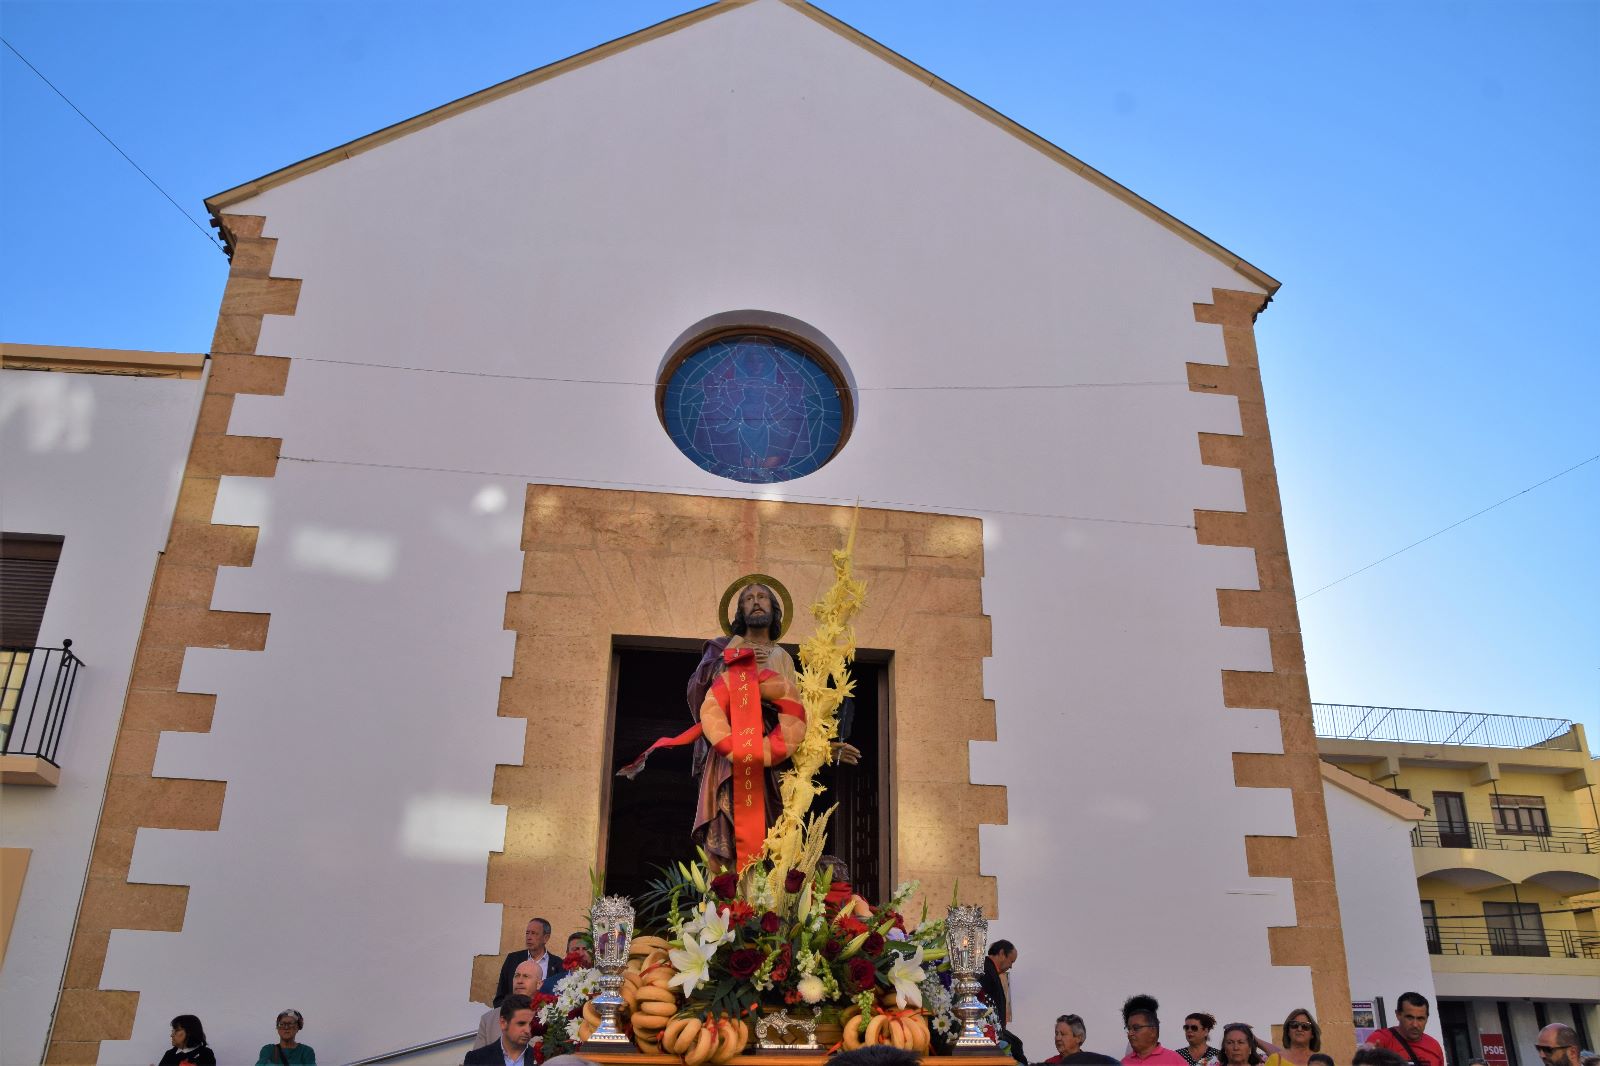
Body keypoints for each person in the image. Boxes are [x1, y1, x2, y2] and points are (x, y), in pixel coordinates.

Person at [616, 579, 858, 872]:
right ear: (740, 611)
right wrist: (731, 660)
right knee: (727, 825)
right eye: (748, 598)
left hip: (772, 759)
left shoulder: (782, 657)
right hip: (729, 756)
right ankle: (725, 897)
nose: (756, 601)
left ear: (775, 609)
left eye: (763, 597)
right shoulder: (721, 648)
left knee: (771, 830)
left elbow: (797, 716)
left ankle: (762, 899)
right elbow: (697, 690)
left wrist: (825, 750)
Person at [1364, 993, 1443, 1066]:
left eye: (1420, 1018)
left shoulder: (1434, 1046)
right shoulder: (1381, 1039)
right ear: (1398, 1015)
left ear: (1427, 1018)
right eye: (1409, 1017)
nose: (1415, 1024)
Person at [978, 939, 1024, 1062]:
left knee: (1016, 1044)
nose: (1011, 966)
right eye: (1011, 961)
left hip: (995, 1028)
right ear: (1002, 953)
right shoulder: (985, 969)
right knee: (1016, 1047)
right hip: (988, 1029)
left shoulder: (990, 969)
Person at [478, 960, 540, 1048]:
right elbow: (477, 1059)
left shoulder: (550, 1017)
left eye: (526, 976)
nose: (519, 981)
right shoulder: (488, 1020)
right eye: (517, 976)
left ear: (539, 984)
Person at [493, 917, 553, 1007]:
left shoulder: (557, 964)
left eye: (534, 933)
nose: (529, 937)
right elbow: (501, 995)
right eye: (527, 933)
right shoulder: (512, 959)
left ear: (546, 938)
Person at [464, 994, 536, 1065]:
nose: (528, 1030)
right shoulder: (476, 1059)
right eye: (521, 1024)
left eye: (531, 1024)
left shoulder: (541, 1060)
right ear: (503, 1023)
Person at [1123, 1006, 1188, 1066]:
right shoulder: (1124, 1062)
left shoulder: (1175, 1060)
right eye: (1129, 1029)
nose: (1130, 1034)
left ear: (1153, 1031)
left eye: (1136, 1028)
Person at [1043, 1014, 1119, 1064]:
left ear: (1078, 1038)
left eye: (1063, 1034)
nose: (1057, 1038)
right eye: (1056, 1034)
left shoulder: (1093, 1062)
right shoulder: (1049, 1063)